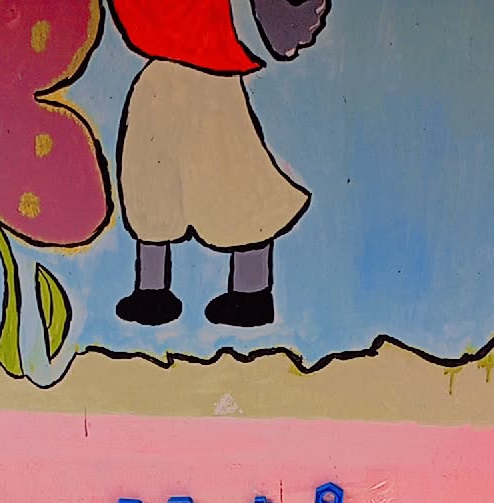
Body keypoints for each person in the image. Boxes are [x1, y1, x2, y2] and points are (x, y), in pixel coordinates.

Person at [108, 0, 330, 328]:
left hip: (212, 80)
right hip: (164, 79)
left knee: (235, 183)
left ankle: (250, 291)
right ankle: (152, 290)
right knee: (150, 187)